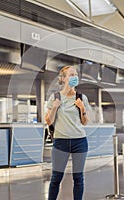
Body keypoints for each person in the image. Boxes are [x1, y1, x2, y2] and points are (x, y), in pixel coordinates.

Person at [45, 66, 90, 200]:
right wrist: (54, 107)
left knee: (78, 178)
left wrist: (82, 108)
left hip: (80, 141)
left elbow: (85, 122)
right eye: (71, 75)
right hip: (61, 142)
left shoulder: (82, 98)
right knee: (56, 178)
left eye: (76, 75)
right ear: (63, 79)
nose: (74, 77)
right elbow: (48, 121)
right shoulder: (55, 97)